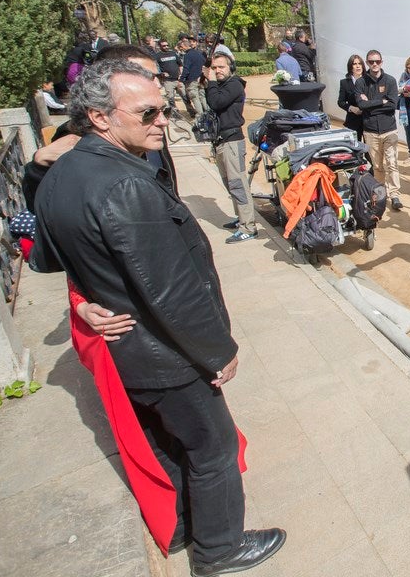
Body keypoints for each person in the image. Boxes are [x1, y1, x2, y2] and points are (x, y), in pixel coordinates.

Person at [31, 57, 286, 576]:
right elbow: (170, 291)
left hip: (129, 351)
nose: (163, 122)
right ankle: (219, 549)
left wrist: (87, 298)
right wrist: (217, 350)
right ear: (101, 118)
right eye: (148, 113)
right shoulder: (124, 186)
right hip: (165, 354)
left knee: (171, 442)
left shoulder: (59, 174)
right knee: (210, 448)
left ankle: (183, 527)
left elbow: (42, 256)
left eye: (163, 110)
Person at [205, 53, 257, 243]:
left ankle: (248, 227)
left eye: (221, 67)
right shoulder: (219, 86)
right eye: (214, 68)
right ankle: (241, 218)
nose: (217, 71)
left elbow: (216, 103)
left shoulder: (234, 84)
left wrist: (210, 83)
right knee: (229, 183)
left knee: (238, 184)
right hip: (220, 141)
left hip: (232, 141)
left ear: (230, 68)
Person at [355, 50, 402, 211]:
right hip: (371, 131)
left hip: (389, 129)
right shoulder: (361, 82)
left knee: (392, 163)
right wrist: (381, 101)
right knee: (377, 166)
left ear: (382, 61)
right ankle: (381, 194)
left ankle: (395, 195)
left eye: (377, 61)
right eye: (371, 61)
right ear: (367, 63)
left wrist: (372, 104)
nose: (374, 64)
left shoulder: (390, 81)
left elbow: (393, 104)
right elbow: (361, 106)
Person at [178, 34, 206, 117]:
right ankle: (208, 112)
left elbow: (186, 69)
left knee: (195, 98)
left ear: (184, 46)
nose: (180, 49)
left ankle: (200, 116)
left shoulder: (187, 55)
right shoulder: (199, 54)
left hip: (192, 81)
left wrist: (181, 80)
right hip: (201, 79)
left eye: (181, 47)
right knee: (202, 97)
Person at [337, 54, 365, 138]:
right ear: (350, 67)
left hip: (368, 121)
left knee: (369, 149)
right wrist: (351, 108)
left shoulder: (369, 81)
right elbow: (340, 102)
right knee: (355, 148)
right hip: (353, 121)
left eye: (360, 64)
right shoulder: (344, 83)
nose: (358, 66)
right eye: (354, 64)